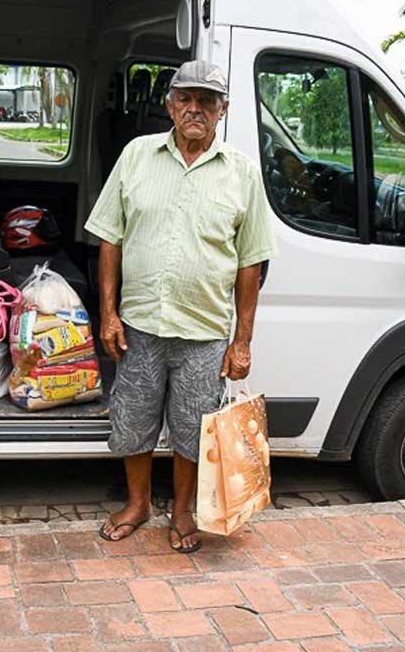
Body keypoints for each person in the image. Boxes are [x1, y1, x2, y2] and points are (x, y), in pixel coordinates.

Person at [84, 61, 277, 553]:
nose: (195, 108)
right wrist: (108, 314)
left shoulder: (241, 173)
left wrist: (243, 341)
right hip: (139, 324)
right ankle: (138, 503)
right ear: (169, 105)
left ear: (223, 111)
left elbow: (250, 263)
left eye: (207, 101)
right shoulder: (137, 156)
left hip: (205, 330)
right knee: (133, 421)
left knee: (193, 429)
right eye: (186, 99)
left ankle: (183, 510)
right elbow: (109, 238)